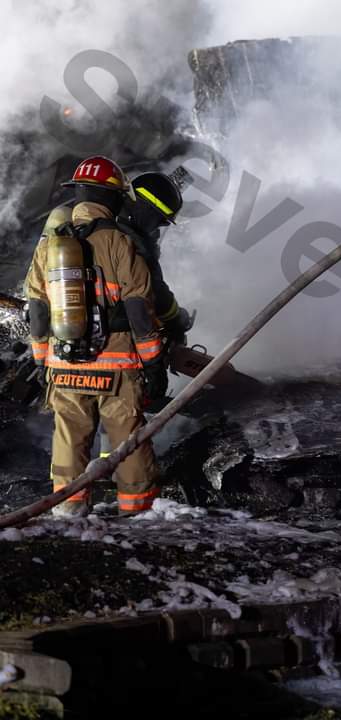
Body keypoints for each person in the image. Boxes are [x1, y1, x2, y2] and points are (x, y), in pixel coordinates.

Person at [23, 155, 164, 517]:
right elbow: (139, 309)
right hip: (116, 367)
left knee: (69, 441)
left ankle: (68, 515)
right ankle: (138, 515)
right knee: (129, 443)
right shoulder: (120, 241)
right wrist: (153, 363)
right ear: (113, 197)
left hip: (64, 364)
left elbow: (37, 310)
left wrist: (42, 361)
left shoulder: (49, 245)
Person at [115, 170, 191, 409]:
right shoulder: (135, 244)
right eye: (159, 219)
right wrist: (176, 321)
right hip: (116, 344)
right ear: (144, 208)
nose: (158, 226)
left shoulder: (104, 228)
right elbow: (154, 292)